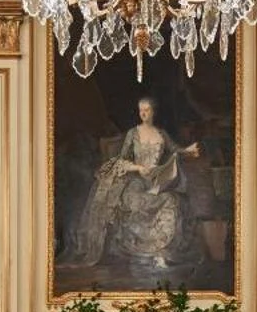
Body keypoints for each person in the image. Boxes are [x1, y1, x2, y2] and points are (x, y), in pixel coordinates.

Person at [61, 95, 202, 270]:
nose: (143, 113)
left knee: (172, 201)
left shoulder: (161, 134)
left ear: (153, 112)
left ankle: (161, 252)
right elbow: (122, 160)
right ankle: (144, 253)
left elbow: (175, 150)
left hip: (156, 180)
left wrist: (187, 150)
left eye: (147, 109)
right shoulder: (133, 134)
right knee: (136, 199)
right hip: (135, 180)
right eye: (141, 110)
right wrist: (138, 168)